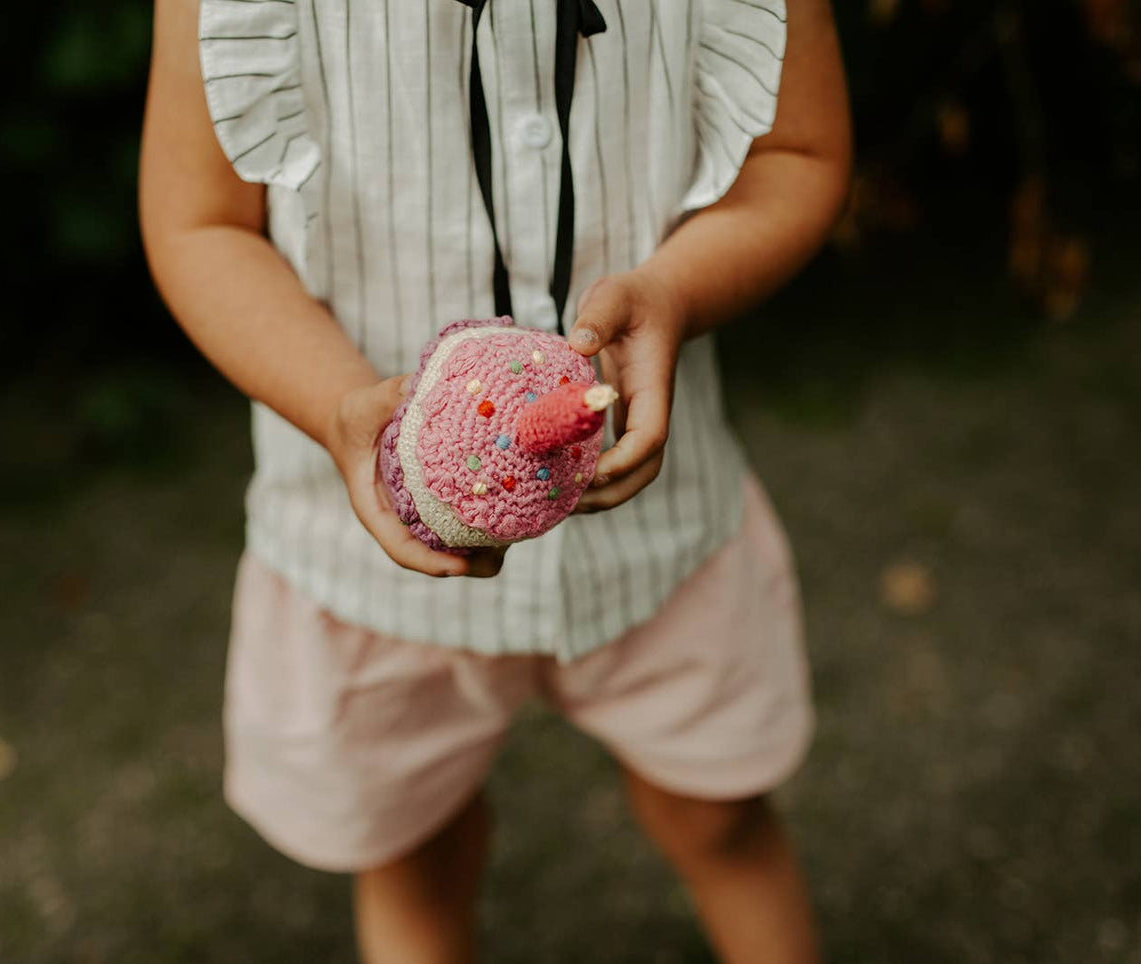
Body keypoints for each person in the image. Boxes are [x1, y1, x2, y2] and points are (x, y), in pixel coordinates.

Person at [140, 0, 850, 960]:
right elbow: (197, 224)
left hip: (663, 541)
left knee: (715, 814)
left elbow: (797, 157)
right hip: (364, 567)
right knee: (411, 856)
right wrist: (339, 404)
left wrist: (676, 291)